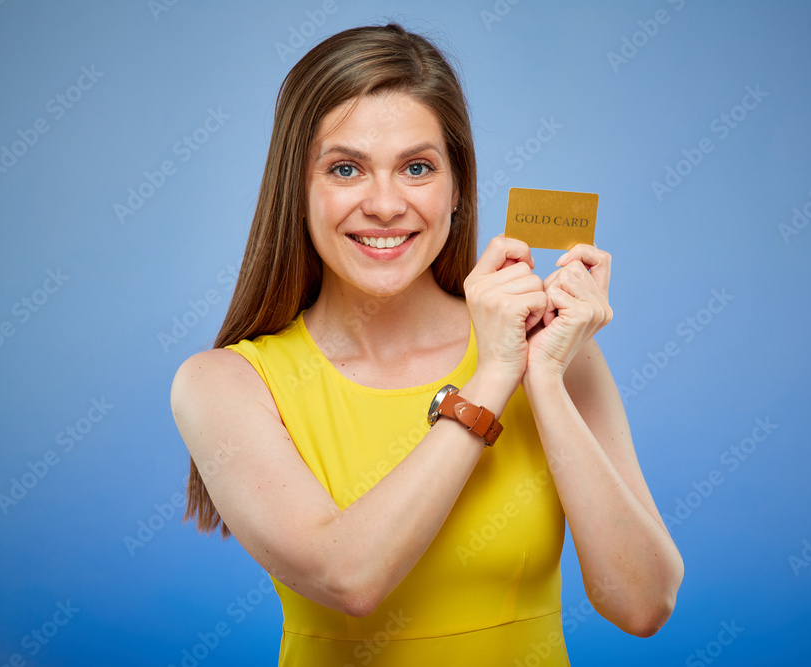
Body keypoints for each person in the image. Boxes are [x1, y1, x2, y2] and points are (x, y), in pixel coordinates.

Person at [170, 23, 683, 666]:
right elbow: (350, 579)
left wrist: (545, 378)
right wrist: (493, 375)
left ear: (457, 190)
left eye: (417, 168)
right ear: (296, 189)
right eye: (346, 169)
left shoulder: (555, 351)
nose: (386, 205)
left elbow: (642, 604)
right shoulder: (224, 384)